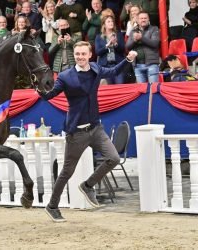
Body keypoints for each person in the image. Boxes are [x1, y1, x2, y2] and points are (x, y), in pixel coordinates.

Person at [38, 41, 137, 222]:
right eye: (77, 54)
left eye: (83, 54)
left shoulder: (96, 69)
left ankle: (88, 185)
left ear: (90, 54)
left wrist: (128, 60)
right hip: (76, 132)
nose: (80, 57)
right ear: (74, 55)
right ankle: (52, 205)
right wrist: (39, 87)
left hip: (96, 128)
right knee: (67, 172)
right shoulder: (65, 76)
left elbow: (114, 71)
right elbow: (50, 95)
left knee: (114, 158)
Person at [125, 11, 160, 83]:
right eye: (141, 18)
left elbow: (155, 44)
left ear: (148, 19)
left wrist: (141, 38)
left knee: (153, 89)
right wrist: (134, 40)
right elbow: (127, 47)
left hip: (152, 64)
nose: (143, 20)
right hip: (138, 65)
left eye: (145, 18)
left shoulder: (154, 29)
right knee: (142, 91)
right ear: (137, 20)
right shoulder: (133, 31)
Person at [95, 15, 126, 84]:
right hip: (105, 67)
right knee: (109, 88)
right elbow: (97, 52)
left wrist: (115, 44)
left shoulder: (118, 34)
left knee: (119, 87)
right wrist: (107, 46)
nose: (111, 23)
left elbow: (123, 49)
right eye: (108, 22)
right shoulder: (99, 37)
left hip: (118, 66)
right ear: (104, 25)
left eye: (112, 21)